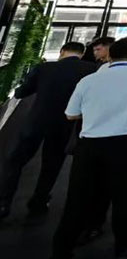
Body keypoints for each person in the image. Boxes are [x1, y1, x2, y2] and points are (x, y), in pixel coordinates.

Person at [49, 38, 127, 259]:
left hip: (89, 147)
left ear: (110, 56)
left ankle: (60, 253)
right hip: (126, 146)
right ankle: (125, 246)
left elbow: (71, 114)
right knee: (125, 198)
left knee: (76, 200)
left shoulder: (89, 80)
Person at [0, 42, 94, 222]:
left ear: (62, 51)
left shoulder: (45, 68)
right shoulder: (90, 70)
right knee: (52, 164)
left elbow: (22, 92)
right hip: (65, 123)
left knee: (15, 160)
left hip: (36, 121)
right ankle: (39, 200)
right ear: (81, 54)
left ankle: (4, 203)